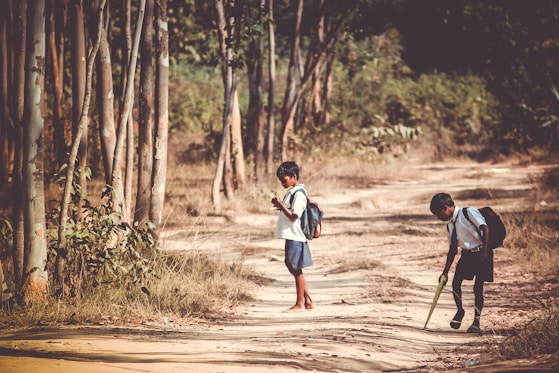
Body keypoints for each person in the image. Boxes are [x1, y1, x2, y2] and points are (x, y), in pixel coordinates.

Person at [429, 192, 492, 333]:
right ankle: (460, 311)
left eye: (438, 214)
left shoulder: (468, 213)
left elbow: (485, 228)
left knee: (478, 288)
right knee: (456, 283)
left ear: (446, 207)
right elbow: (452, 250)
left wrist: (485, 251)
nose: (438, 218)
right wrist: (444, 272)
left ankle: (476, 322)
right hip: (467, 255)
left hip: (482, 252)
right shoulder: (450, 225)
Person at [271, 161, 314, 312]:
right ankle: (308, 301)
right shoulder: (292, 191)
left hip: (295, 235)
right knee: (293, 267)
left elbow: (294, 216)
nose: (283, 183)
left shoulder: (299, 193)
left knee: (295, 268)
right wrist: (279, 205)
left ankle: (299, 304)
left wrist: (281, 205)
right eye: (281, 180)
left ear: (294, 176)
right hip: (291, 235)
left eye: (285, 179)